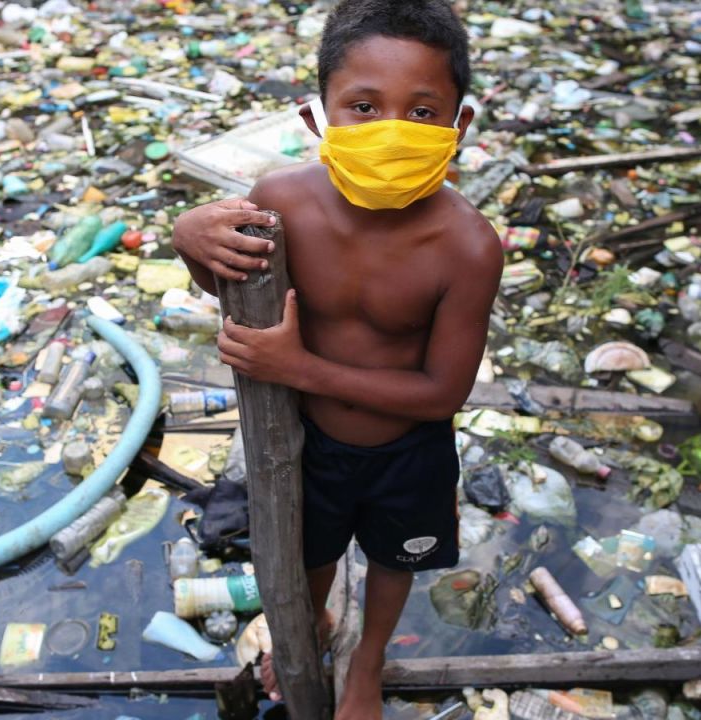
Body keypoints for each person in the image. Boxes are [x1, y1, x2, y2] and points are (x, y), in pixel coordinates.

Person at [173, 0, 501, 716]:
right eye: (362, 106)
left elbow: (443, 392)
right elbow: (234, 284)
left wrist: (301, 370)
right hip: (307, 443)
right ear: (315, 117)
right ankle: (308, 623)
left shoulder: (468, 246)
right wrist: (188, 237)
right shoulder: (280, 203)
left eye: (421, 112)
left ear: (460, 126)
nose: (390, 131)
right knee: (304, 552)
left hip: (408, 449)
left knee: (395, 561)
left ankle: (368, 661)